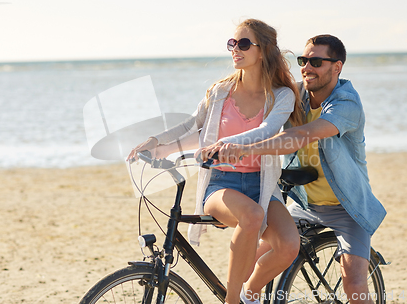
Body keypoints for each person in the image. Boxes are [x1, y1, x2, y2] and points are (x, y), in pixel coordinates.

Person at [127, 19, 304, 304]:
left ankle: (250, 293)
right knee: (251, 216)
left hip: (263, 185)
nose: (235, 49)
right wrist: (156, 142)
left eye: (244, 44)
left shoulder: (280, 96)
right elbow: (191, 126)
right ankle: (232, 301)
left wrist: (233, 144)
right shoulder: (221, 91)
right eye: (232, 43)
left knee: (288, 247)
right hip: (221, 183)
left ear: (264, 51)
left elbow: (268, 130)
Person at [201, 34, 387, 304]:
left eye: (316, 62)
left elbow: (303, 135)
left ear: (337, 67)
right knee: (252, 256)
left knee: (354, 282)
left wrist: (245, 149)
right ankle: (249, 294)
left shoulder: (346, 104)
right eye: (303, 60)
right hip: (304, 203)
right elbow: (255, 94)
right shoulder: (294, 94)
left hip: (347, 207)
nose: (307, 67)